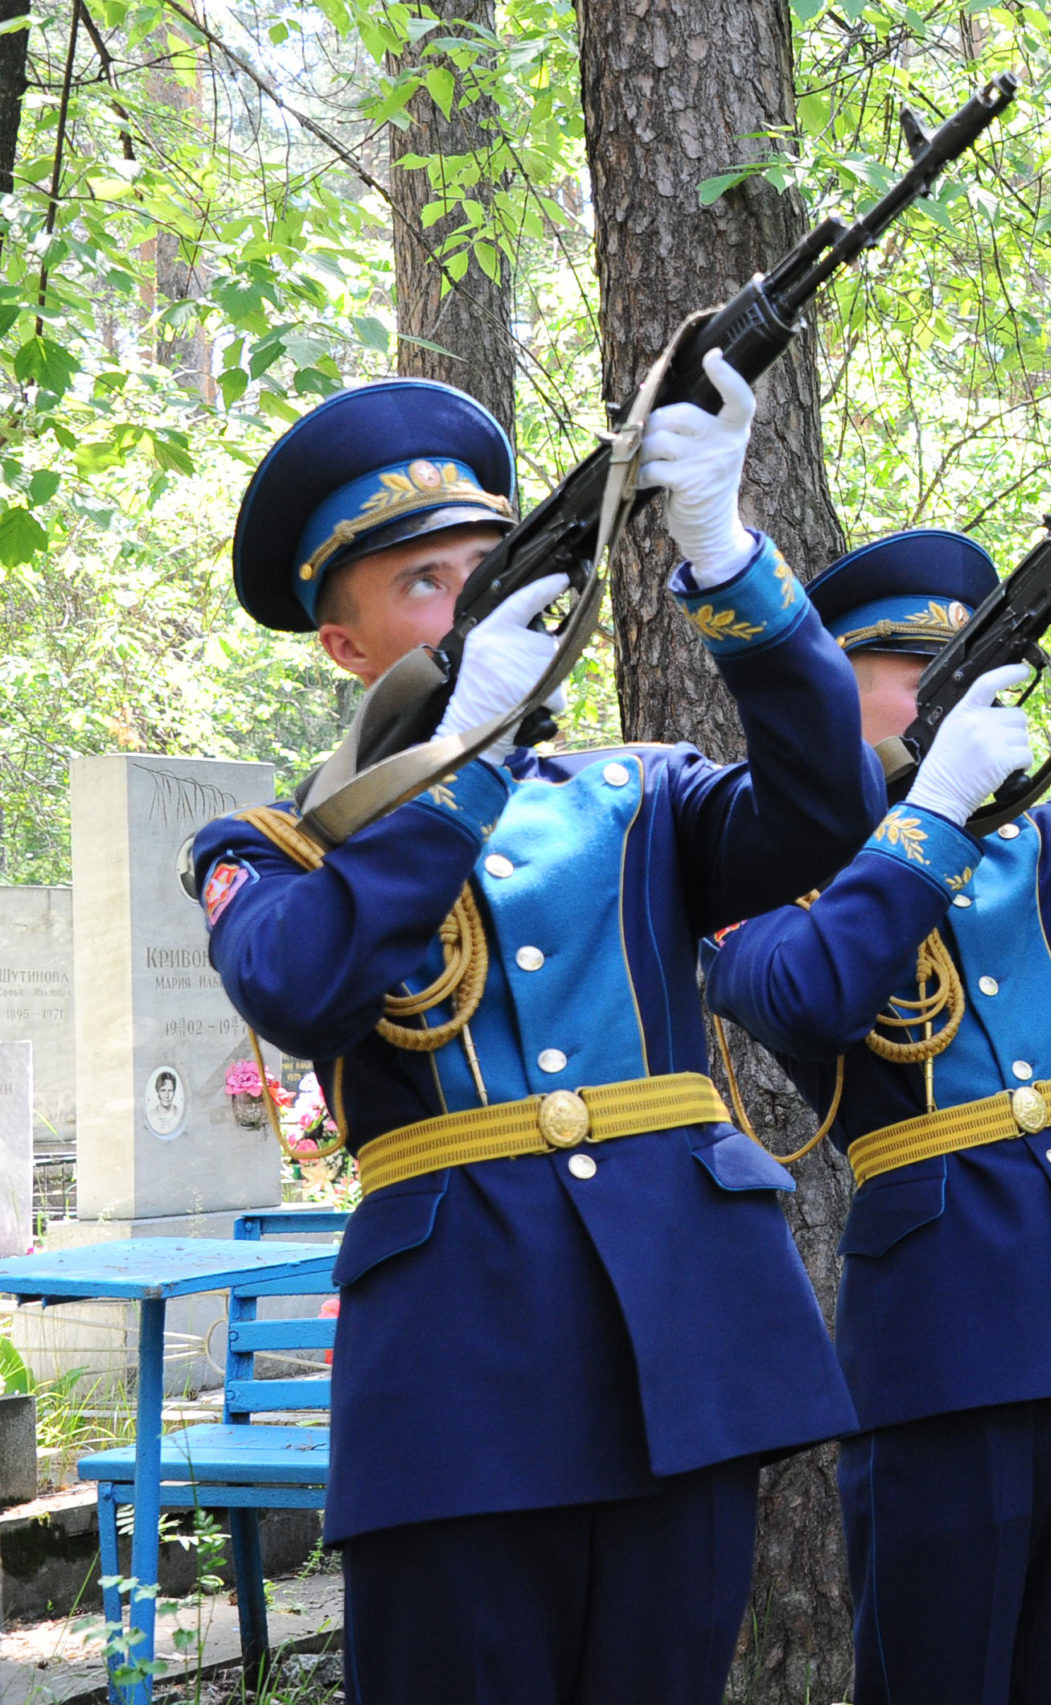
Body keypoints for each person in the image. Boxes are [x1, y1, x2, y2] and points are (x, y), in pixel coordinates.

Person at [192, 361, 870, 1703]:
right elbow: (299, 986)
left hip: (683, 1349)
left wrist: (724, 549)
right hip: (459, 1388)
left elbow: (827, 813)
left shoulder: (644, 796)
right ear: (346, 644)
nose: (471, 607)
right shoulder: (272, 849)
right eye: (424, 587)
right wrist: (467, 762)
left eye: (487, 572)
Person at [700, 466, 1051, 1705]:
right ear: (826, 692)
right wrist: (934, 809)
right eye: (907, 670)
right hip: (946, 1328)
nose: (941, 694)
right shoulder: (749, 879)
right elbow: (807, 999)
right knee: (943, 1671)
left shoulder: (1036, 850)